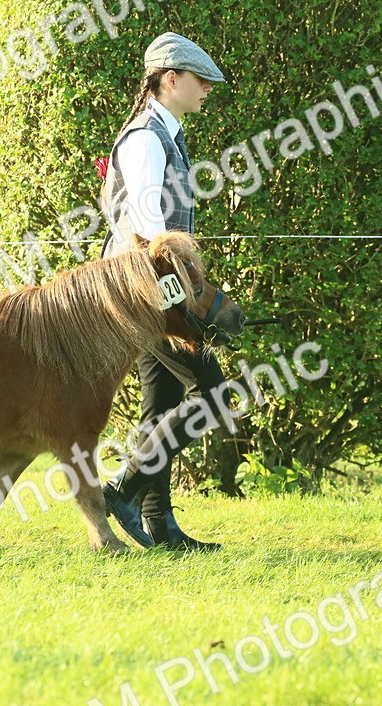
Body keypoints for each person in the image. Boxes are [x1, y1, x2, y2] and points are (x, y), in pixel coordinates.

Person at [98, 32, 235, 552]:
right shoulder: (146, 139)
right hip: (146, 292)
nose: (207, 91)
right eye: (201, 81)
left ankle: (162, 527)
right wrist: (180, 302)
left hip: (149, 287)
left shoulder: (163, 135)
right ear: (170, 79)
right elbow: (150, 228)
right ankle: (124, 489)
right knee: (215, 396)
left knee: (162, 405)